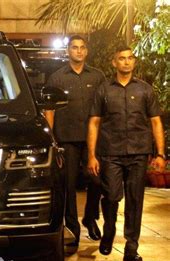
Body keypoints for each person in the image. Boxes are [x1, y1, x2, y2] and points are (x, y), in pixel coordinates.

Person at [87, 46, 165, 261]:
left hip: (139, 152)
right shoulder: (103, 90)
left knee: (135, 200)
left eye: (130, 58)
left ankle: (132, 246)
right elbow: (94, 122)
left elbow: (156, 122)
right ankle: (109, 229)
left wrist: (160, 153)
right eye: (121, 59)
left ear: (134, 62)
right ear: (114, 63)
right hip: (111, 152)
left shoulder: (145, 90)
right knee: (111, 196)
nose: (126, 62)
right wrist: (92, 155)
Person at [44, 35, 106, 249]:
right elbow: (49, 110)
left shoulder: (98, 76)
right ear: (68, 51)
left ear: (86, 51)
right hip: (67, 139)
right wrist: (50, 140)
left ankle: (90, 218)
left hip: (93, 141)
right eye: (74, 48)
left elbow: (105, 108)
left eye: (82, 48)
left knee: (98, 182)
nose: (78, 51)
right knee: (69, 187)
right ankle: (73, 230)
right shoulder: (57, 78)